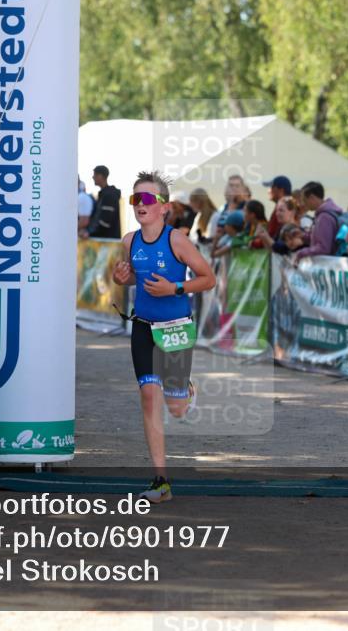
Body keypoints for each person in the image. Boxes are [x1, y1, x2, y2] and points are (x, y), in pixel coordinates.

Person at [111, 171, 216, 503]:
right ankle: (160, 481)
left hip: (175, 328)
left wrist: (175, 288)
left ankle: (185, 389)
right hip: (143, 327)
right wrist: (121, 278)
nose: (139, 205)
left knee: (177, 410)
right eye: (135, 199)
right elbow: (131, 280)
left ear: (163, 206)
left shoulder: (177, 241)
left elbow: (208, 278)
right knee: (148, 396)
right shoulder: (129, 240)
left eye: (146, 199)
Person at [294, 182, 343, 261]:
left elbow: (323, 248)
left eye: (304, 200)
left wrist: (302, 253)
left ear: (312, 198)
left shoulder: (324, 218)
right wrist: (303, 236)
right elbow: (320, 238)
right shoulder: (322, 215)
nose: (303, 204)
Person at [88, 165, 122, 239]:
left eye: (95, 175)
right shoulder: (104, 194)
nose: (93, 177)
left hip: (107, 243)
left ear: (101, 176)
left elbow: (104, 224)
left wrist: (89, 234)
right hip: (104, 241)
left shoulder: (109, 195)